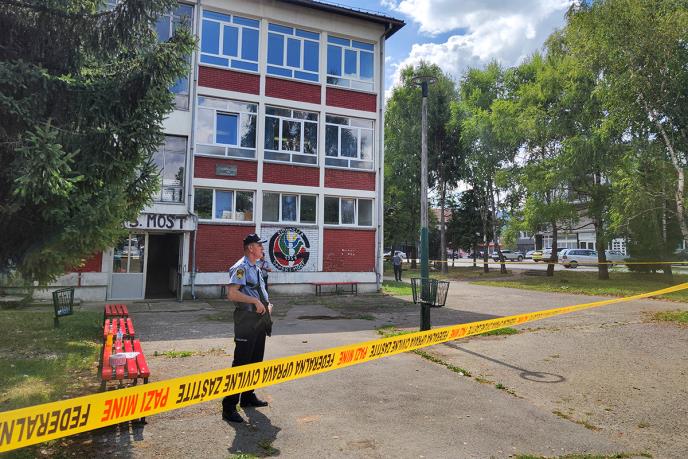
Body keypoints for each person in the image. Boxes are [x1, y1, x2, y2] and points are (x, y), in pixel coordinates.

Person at [222, 233, 273, 424]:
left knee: (255, 361)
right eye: (259, 245)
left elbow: (258, 291)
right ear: (251, 248)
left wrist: (267, 304)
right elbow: (232, 293)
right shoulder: (241, 267)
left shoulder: (256, 268)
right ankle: (228, 407)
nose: (262, 248)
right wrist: (254, 301)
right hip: (246, 320)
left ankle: (247, 396)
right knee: (241, 363)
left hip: (259, 320)